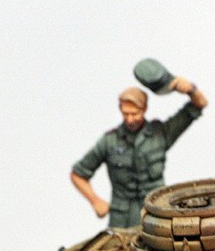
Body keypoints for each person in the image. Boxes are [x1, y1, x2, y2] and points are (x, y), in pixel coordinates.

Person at [70, 76, 208, 228]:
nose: (130, 119)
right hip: (122, 221)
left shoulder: (160, 134)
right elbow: (78, 174)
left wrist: (191, 90)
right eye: (125, 114)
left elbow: (199, 105)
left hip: (156, 215)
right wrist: (95, 201)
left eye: (134, 114)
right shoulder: (109, 141)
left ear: (144, 109)